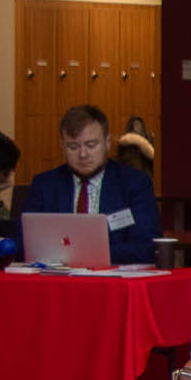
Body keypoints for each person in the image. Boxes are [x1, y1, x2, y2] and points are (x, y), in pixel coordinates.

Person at [22, 105, 159, 264]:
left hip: (112, 281)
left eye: (91, 145)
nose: (83, 154)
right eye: (73, 147)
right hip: (57, 281)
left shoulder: (134, 183)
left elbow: (147, 247)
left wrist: (79, 253)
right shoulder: (44, 185)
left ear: (107, 143)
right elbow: (22, 243)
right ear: (62, 146)